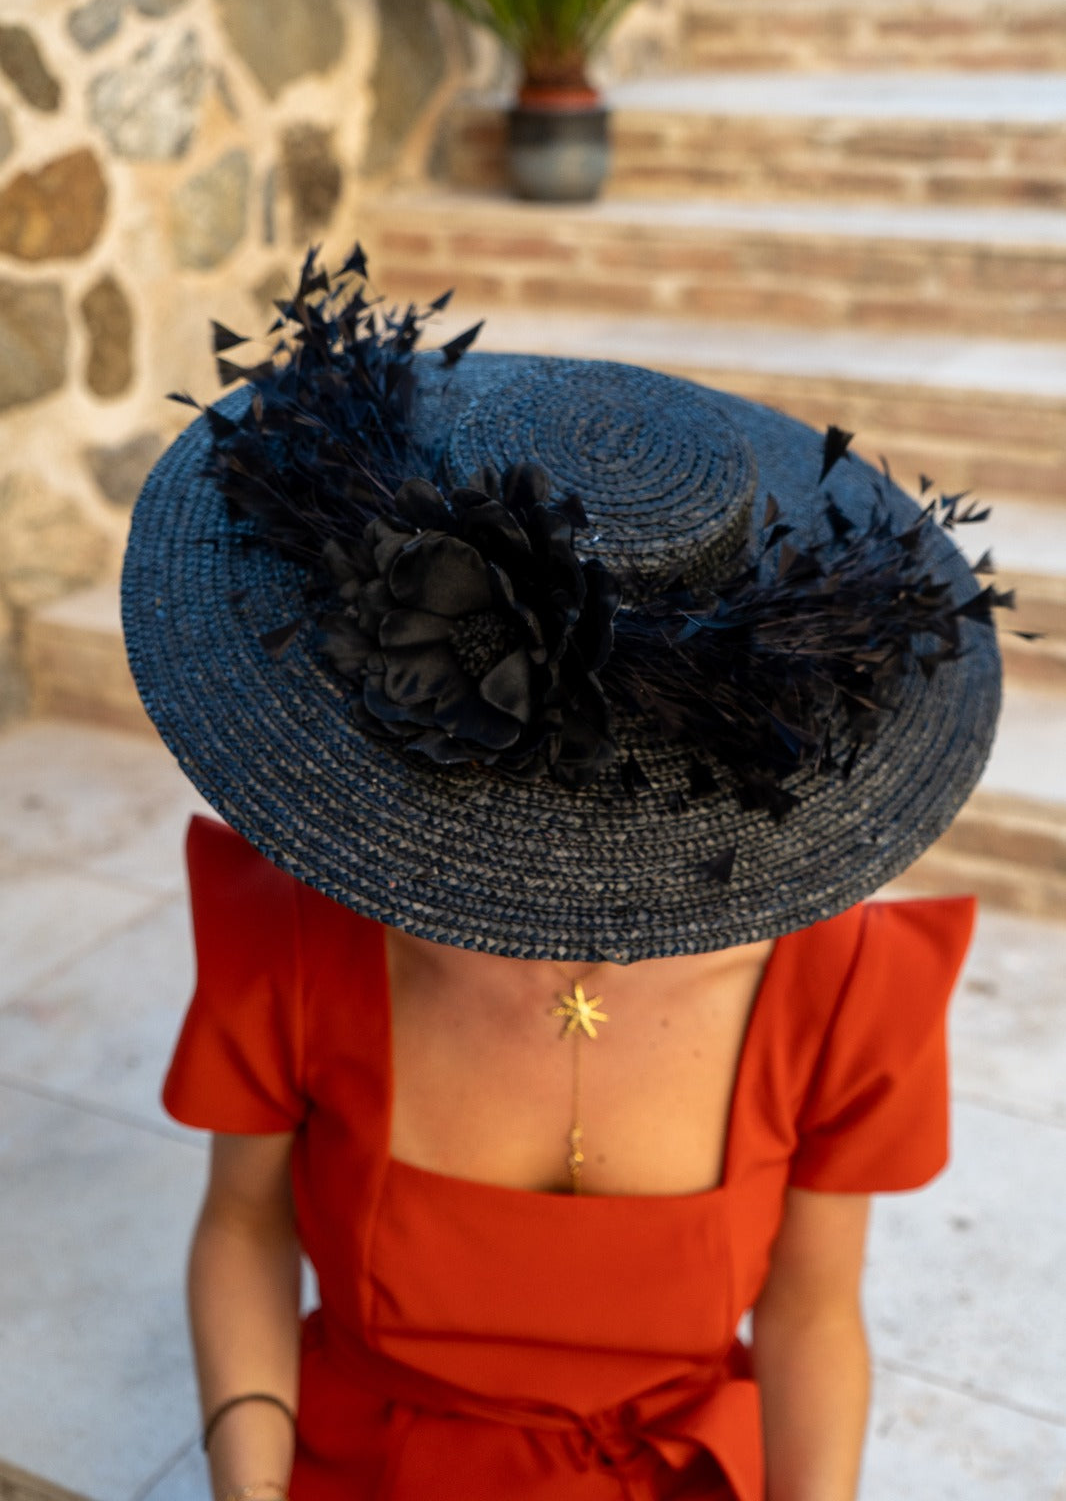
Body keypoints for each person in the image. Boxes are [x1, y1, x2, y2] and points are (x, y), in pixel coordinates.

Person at [122, 253, 1002, 1501]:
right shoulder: (293, 934)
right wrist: (248, 1481)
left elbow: (813, 1310)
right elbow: (243, 1224)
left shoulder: (844, 990)